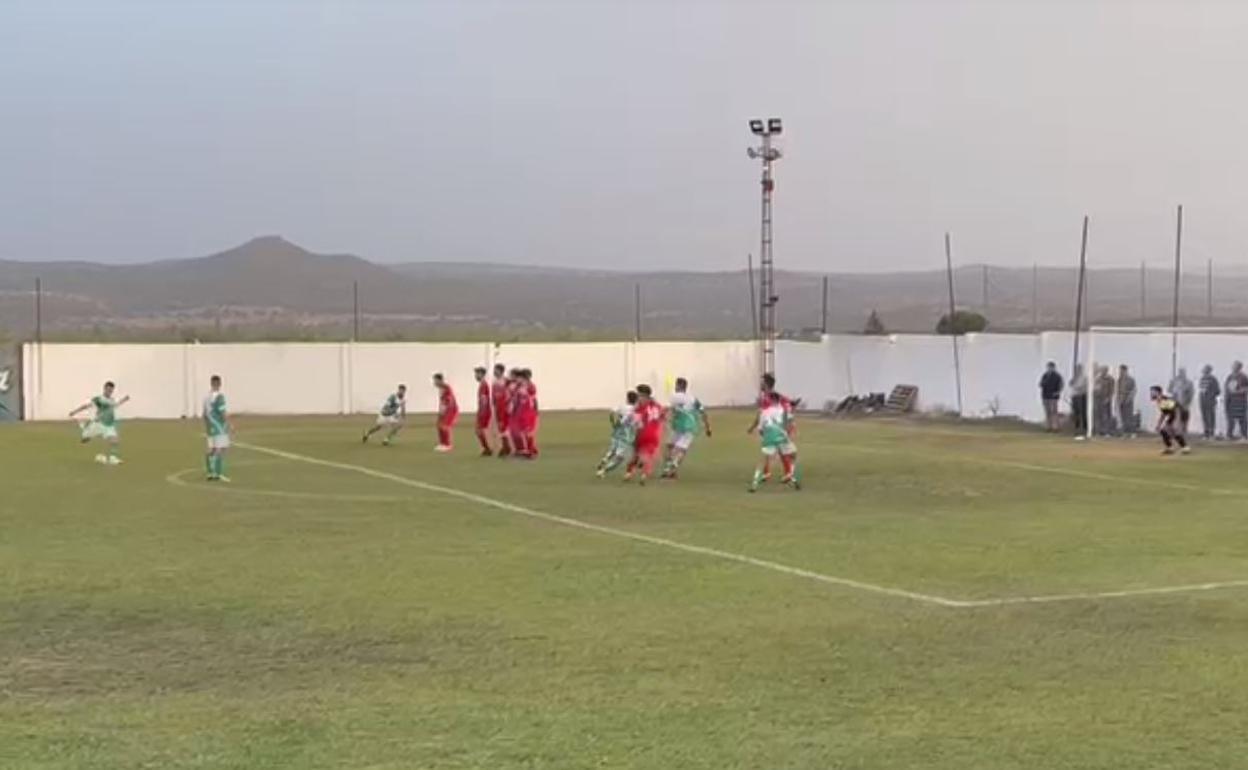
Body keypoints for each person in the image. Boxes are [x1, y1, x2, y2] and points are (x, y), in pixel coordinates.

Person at [69, 381, 131, 465]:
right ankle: (89, 439)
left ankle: (113, 458)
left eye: (111, 391)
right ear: (104, 388)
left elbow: (117, 404)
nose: (109, 392)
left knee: (114, 440)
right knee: (85, 438)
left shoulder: (112, 400)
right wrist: (74, 411)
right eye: (108, 390)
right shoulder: (99, 399)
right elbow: (86, 406)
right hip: (98, 424)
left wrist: (124, 400)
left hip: (109, 424)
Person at [661, 377, 712, 479]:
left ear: (678, 386)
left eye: (676, 385)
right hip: (688, 427)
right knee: (680, 449)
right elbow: (703, 412)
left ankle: (670, 469)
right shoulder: (693, 398)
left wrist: (663, 418)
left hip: (680, 427)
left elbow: (666, 409)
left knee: (671, 448)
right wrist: (708, 427)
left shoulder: (674, 396)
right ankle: (672, 470)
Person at [749, 391, 800, 492]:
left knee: (762, 461)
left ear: (771, 400)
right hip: (782, 438)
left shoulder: (764, 412)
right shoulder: (784, 411)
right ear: (779, 400)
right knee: (793, 456)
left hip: (769, 438)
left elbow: (760, 429)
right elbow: (788, 426)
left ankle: (754, 484)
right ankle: (793, 478)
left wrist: (765, 437)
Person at [624, 384, 665, 485]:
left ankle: (633, 472)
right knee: (644, 455)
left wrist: (630, 419)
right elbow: (663, 415)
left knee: (639, 455)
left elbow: (635, 422)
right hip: (654, 435)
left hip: (642, 434)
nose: (638, 398)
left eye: (639, 395)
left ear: (644, 396)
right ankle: (641, 474)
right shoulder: (657, 406)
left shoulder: (640, 408)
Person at [596, 391, 638, 478]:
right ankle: (603, 470)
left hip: (617, 432)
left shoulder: (622, 406)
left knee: (612, 450)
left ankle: (604, 461)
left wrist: (613, 423)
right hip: (626, 435)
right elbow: (635, 424)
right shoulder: (635, 410)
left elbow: (612, 412)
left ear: (627, 398)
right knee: (620, 457)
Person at [203, 375, 231, 481]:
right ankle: (218, 474)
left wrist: (207, 426)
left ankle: (210, 472)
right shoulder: (219, 396)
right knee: (220, 448)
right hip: (219, 426)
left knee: (211, 449)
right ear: (219, 384)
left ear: (211, 383)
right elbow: (223, 412)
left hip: (210, 426)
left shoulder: (206, 397)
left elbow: (204, 414)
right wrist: (229, 424)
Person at [1150, 385, 1191, 456]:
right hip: (1173, 415)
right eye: (1151, 392)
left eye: (1153, 392)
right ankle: (1170, 448)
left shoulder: (1165, 399)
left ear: (1158, 392)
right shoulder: (1159, 401)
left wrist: (1177, 422)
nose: (1151, 393)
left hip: (1181, 414)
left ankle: (1185, 448)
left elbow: (1177, 409)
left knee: (1174, 430)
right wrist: (1158, 424)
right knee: (1163, 430)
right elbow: (1163, 413)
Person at [490, 363, 512, 457]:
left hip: (505, 408)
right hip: (498, 408)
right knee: (501, 428)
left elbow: (511, 393)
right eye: (494, 370)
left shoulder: (507, 381)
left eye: (496, 370)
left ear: (501, 371)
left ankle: (507, 447)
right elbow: (494, 396)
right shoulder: (495, 382)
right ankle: (506, 446)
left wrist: (510, 405)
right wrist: (494, 404)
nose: (494, 372)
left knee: (504, 427)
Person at [433, 373, 458, 452]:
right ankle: (442, 443)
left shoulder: (446, 388)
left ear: (440, 380)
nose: (434, 382)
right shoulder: (440, 389)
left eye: (436, 380)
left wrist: (445, 410)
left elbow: (448, 401)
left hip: (450, 410)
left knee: (445, 426)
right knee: (438, 425)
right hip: (443, 409)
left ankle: (448, 445)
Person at [473, 367, 493, 456]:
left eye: (477, 374)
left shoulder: (484, 385)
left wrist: (482, 412)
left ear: (482, 374)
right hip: (482, 410)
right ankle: (487, 448)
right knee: (479, 431)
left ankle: (487, 449)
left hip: (484, 411)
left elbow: (484, 400)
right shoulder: (482, 385)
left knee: (479, 430)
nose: (476, 376)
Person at [1226, 361, 1248, 440]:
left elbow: (1246, 389)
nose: (1233, 367)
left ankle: (1244, 436)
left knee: (1242, 418)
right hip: (1231, 401)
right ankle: (1229, 435)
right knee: (1230, 418)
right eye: (1233, 365)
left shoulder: (1243, 377)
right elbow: (1227, 388)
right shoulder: (1230, 377)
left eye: (1235, 366)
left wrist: (1237, 392)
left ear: (1239, 367)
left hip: (1240, 401)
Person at [1039, 361, 1064, 432]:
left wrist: (1057, 392)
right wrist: (1043, 383)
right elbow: (1041, 384)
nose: (1049, 369)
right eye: (1048, 367)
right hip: (1045, 396)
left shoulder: (1057, 376)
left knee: (1054, 412)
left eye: (1050, 367)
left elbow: (1061, 385)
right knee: (1047, 412)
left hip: (1053, 397)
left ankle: (1055, 427)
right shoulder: (1045, 375)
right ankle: (1048, 426)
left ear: (1053, 368)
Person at [1169, 367, 1195, 433]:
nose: (1181, 374)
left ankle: (1184, 429)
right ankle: (1176, 429)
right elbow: (1169, 390)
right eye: (1180, 372)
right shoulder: (1174, 381)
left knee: (1184, 416)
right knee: (1176, 416)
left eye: (1182, 372)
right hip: (1176, 401)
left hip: (1185, 402)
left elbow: (1191, 393)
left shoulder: (1188, 382)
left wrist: (1188, 401)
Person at [1198, 364, 1220, 439]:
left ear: (1209, 371)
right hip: (1202, 401)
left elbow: (1217, 391)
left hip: (1210, 401)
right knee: (1204, 417)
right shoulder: (1202, 379)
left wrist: (1212, 396)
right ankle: (1206, 433)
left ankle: (1211, 433)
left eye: (1206, 370)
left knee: (1210, 417)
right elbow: (1201, 390)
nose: (1204, 371)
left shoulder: (1213, 379)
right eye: (1204, 370)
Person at [1115, 365, 1137, 438]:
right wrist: (1118, 399)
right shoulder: (1119, 380)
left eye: (1122, 370)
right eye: (1120, 371)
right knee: (1123, 416)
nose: (1120, 372)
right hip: (1121, 400)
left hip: (1128, 400)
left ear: (1125, 371)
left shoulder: (1131, 380)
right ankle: (1125, 432)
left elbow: (1134, 390)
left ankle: (1132, 432)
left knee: (1129, 416)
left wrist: (1129, 398)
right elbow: (1118, 390)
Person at [1093, 365, 1115, 436]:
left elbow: (1112, 390)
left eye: (1104, 370)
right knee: (1097, 415)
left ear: (1106, 371)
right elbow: (1095, 389)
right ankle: (1098, 431)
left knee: (1105, 416)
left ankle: (1106, 431)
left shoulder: (1110, 379)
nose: (1102, 371)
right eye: (1101, 370)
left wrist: (1108, 398)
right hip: (1097, 399)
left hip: (1106, 399)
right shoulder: (1098, 379)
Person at [1069, 364, 1088, 440]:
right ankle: (1076, 428)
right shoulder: (1075, 377)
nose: (1077, 370)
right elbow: (1071, 384)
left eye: (1079, 369)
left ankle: (1084, 428)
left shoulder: (1084, 378)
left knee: (1082, 413)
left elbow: (1084, 387)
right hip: (1075, 396)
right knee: (1075, 413)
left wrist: (1078, 388)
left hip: (1081, 396)